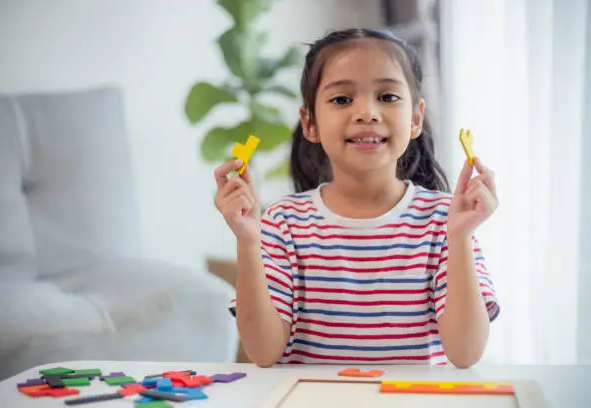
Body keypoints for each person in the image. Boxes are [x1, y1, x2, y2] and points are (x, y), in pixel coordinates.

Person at [213, 28, 500, 368]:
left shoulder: (444, 220)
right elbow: (262, 352)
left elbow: (465, 354)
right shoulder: (282, 222)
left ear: (415, 118)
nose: (366, 112)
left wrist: (459, 236)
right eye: (342, 99)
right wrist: (248, 242)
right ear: (310, 123)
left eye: (388, 97)